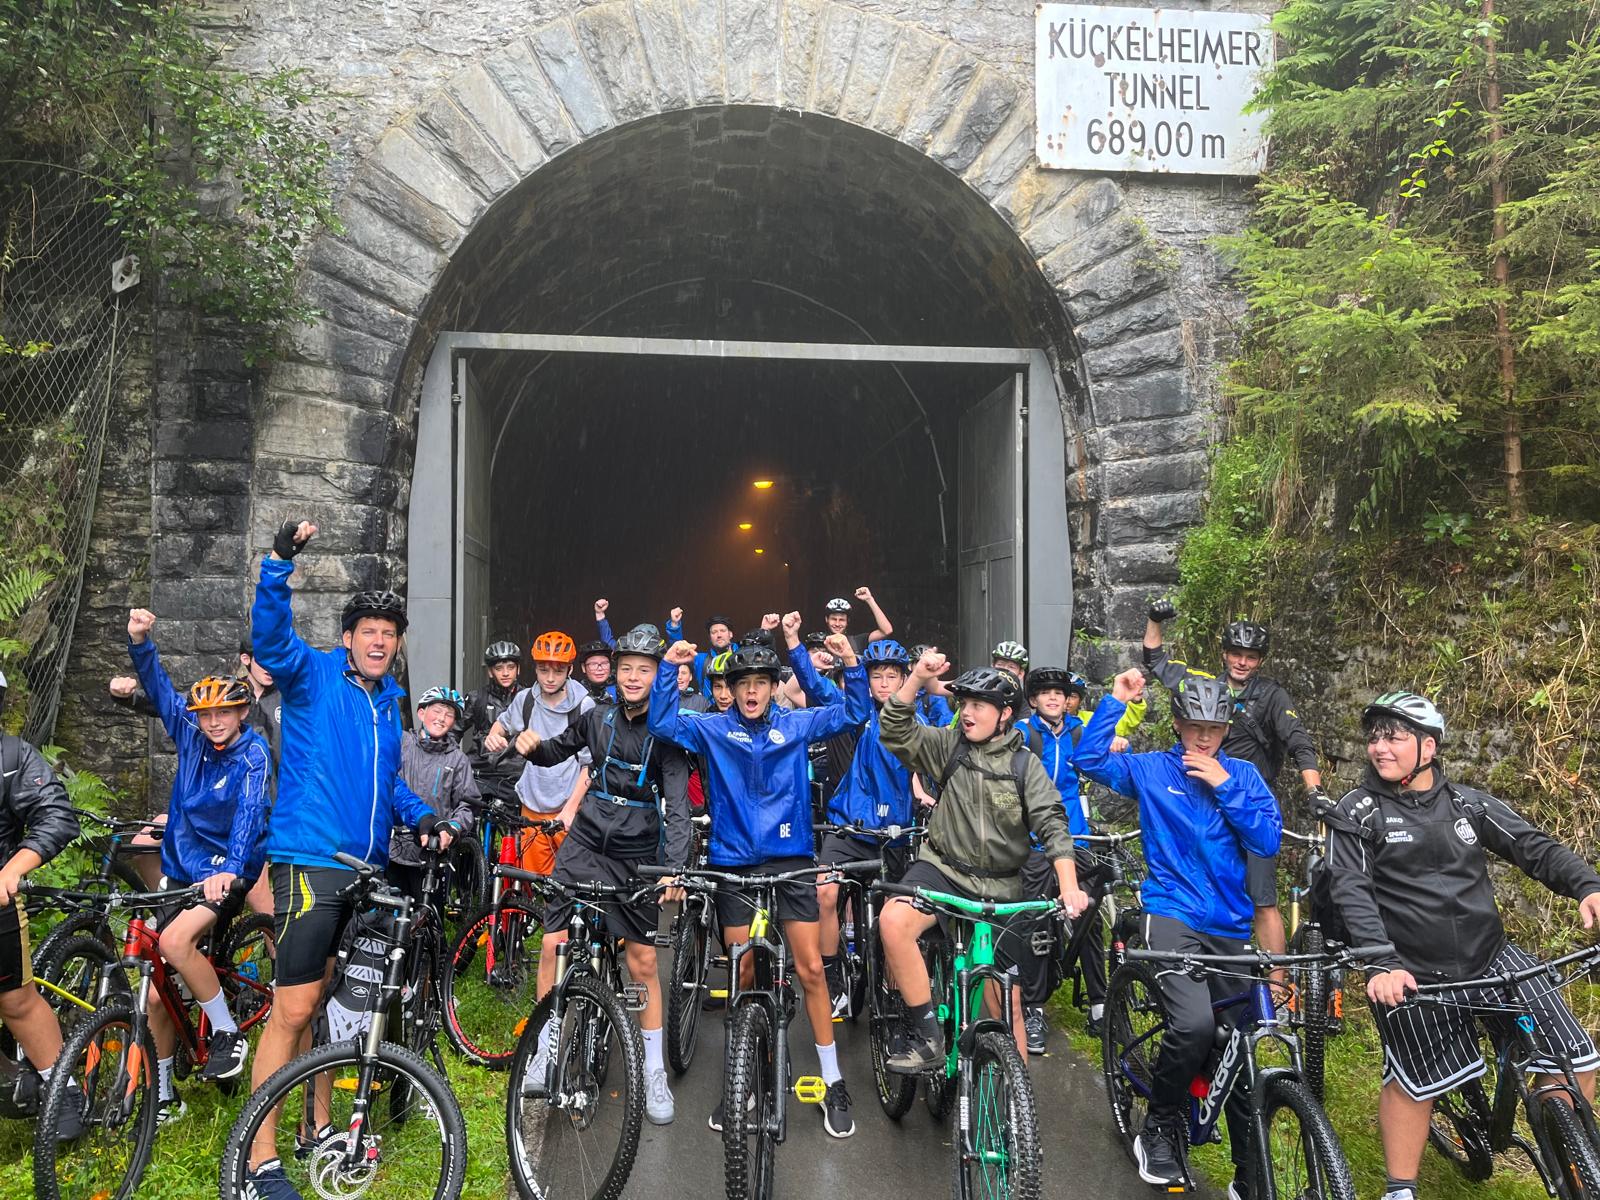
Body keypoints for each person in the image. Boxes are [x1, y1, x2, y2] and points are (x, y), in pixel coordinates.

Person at [243, 518, 454, 1198]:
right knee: (294, 1007)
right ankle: (256, 1163)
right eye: (369, 631)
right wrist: (280, 562)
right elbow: (271, 639)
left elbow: (387, 783)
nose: (380, 641)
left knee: (328, 1005)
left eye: (389, 634)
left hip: (363, 872)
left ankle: (318, 1127)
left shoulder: (389, 703)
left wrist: (423, 816)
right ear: (348, 638)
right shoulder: (313, 676)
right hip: (310, 859)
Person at [1326, 692, 1600, 1200]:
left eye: (1394, 737)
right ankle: (1400, 1189)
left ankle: (1572, 1162)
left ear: (1428, 747)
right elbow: (1351, 889)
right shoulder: (1358, 812)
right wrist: (1380, 962)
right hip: (1411, 970)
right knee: (1414, 1083)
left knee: (1576, 1060)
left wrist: (1587, 886)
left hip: (1490, 958)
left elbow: (1533, 847)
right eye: (1374, 738)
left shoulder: (1468, 804)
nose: (1379, 748)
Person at [649, 614, 871, 1138]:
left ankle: (833, 1079)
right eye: (741, 684)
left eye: (760, 683)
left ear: (773, 688)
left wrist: (849, 663)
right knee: (742, 972)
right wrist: (667, 668)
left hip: (790, 860)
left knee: (810, 968)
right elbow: (661, 722)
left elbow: (855, 711)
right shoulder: (713, 728)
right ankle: (743, 1076)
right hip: (732, 863)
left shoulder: (794, 724)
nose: (750, 692)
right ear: (729, 689)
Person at [1076, 668, 1282, 1193]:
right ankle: (1159, 1127)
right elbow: (1089, 760)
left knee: (1240, 1047)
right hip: (1171, 912)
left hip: (1230, 924)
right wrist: (1115, 702)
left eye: (1214, 728)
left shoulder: (1244, 776)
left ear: (1227, 728)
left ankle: (1249, 1175)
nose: (1204, 738)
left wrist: (1224, 785)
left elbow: (1266, 840)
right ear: (1177, 725)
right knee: (1192, 1024)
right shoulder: (1152, 769)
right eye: (1195, 727)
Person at [512, 623, 693, 1126]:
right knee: (553, 943)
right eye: (626, 668)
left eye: (644, 669)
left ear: (657, 676)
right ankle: (545, 1050)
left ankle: (653, 1070)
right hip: (587, 841)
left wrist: (674, 869)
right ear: (615, 672)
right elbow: (557, 750)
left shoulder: (668, 733)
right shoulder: (597, 716)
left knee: (641, 961)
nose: (633, 677)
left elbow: (678, 808)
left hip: (637, 851)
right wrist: (533, 747)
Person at [877, 652, 1087, 1068]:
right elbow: (894, 729)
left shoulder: (1025, 766)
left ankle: (1018, 1098)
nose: (968, 713)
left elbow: (1053, 825)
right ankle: (929, 1036)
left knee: (1008, 1004)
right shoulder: (948, 746)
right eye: (964, 704)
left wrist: (1068, 886)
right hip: (942, 870)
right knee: (893, 920)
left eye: (979, 705)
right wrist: (917, 676)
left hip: (1002, 886)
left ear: (1005, 714)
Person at [125, 608, 272, 1117]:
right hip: (181, 868)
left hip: (228, 869)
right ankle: (165, 1092)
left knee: (173, 942)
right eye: (205, 715)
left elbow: (251, 812)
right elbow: (160, 689)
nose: (213, 723)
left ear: (241, 713)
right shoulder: (190, 734)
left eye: (223, 714)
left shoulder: (253, 754)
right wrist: (140, 641)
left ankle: (228, 1033)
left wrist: (230, 868)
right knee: (156, 992)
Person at [1144, 602, 1322, 963]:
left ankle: (1276, 988)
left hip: (1248, 802)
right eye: (1236, 654)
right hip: (1202, 803)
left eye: (1251, 657)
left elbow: (1298, 742)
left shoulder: (1272, 695)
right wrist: (1154, 620)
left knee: (1263, 901)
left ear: (1260, 660)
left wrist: (1315, 791)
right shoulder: (1203, 688)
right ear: (1224, 654)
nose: (1242, 662)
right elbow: (1156, 660)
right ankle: (1206, 967)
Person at [1013, 666, 1144, 1052]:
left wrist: (1120, 744)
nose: (1053, 697)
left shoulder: (1077, 731)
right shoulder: (1022, 733)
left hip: (1075, 836)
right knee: (1033, 921)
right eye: (1045, 693)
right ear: (1033, 700)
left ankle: (1100, 1005)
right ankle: (1034, 1008)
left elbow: (1102, 750)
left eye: (1060, 692)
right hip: (1035, 840)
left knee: (1089, 919)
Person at [815, 639, 927, 1017]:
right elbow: (815, 687)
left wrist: (923, 791)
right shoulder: (857, 712)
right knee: (825, 893)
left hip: (893, 835)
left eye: (891, 676)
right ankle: (833, 979)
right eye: (876, 676)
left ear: (904, 679)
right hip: (848, 826)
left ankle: (899, 1007)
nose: (884, 684)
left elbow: (926, 760)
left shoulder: (916, 722)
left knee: (897, 923)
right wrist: (798, 647)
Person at [0, 666, 86, 1138]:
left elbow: (57, 815)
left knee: (15, 1000)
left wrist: (13, 869)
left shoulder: (13, 756)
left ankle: (63, 1087)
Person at [484, 632, 595, 873]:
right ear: (535, 669)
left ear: (570, 669)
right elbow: (503, 723)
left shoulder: (584, 706)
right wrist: (494, 735)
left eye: (558, 671)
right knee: (533, 882)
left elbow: (590, 765)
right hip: (531, 807)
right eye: (543, 670)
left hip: (568, 809)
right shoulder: (525, 700)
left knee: (570, 881)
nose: (550, 678)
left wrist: (570, 809)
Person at [387, 687, 477, 902]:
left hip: (432, 853)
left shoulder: (457, 759)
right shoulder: (401, 743)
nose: (441, 718)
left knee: (428, 914)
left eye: (449, 715)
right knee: (387, 913)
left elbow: (468, 805)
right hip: (391, 848)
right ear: (421, 713)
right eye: (436, 711)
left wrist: (453, 828)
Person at [462, 640, 526, 807]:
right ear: (490, 672)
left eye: (510, 667)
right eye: (499, 668)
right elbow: (453, 731)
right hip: (480, 769)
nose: (505, 673)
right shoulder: (476, 698)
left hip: (515, 773)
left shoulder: (528, 699)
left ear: (518, 669)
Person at [664, 608, 737, 695]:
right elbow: (680, 651)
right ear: (710, 637)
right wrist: (674, 626)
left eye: (722, 631)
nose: (719, 635)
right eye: (714, 632)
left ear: (730, 634)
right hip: (707, 704)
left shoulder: (742, 656)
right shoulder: (701, 660)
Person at [823, 586, 893, 653]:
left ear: (847, 621)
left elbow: (886, 631)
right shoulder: (818, 641)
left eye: (842, 620)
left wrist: (869, 599)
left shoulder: (857, 641)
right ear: (826, 619)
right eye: (834, 619)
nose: (837, 624)